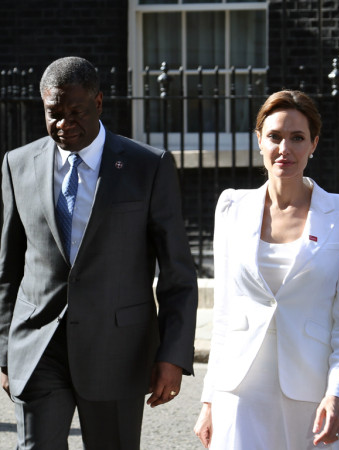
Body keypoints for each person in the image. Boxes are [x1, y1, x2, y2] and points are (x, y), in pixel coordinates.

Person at [0, 56, 198, 448]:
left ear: (99, 104)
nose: (64, 124)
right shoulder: (17, 165)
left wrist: (173, 355)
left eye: (76, 112)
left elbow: (177, 271)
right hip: (39, 348)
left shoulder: (148, 166)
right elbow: (7, 268)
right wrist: (6, 351)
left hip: (117, 351)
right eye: (54, 114)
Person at [194, 90, 339, 449]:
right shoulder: (231, 207)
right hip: (240, 393)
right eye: (274, 136)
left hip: (312, 393)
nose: (284, 148)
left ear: (313, 144)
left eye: (297, 138)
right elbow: (226, 313)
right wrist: (209, 400)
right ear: (259, 140)